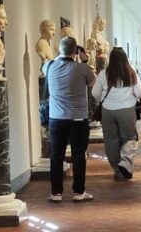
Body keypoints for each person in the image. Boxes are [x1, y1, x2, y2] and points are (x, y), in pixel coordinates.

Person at [43, 36, 97, 202]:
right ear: (76, 51)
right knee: (78, 155)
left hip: (56, 118)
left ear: (59, 49)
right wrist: (84, 60)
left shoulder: (49, 66)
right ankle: (78, 192)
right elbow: (92, 84)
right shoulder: (83, 69)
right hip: (78, 119)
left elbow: (47, 70)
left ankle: (56, 193)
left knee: (56, 156)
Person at [91, 47, 141, 180]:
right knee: (130, 138)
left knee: (111, 140)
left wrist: (102, 100)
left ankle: (117, 169)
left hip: (108, 111)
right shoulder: (130, 73)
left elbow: (95, 93)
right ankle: (125, 162)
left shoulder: (104, 73)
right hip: (127, 109)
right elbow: (140, 92)